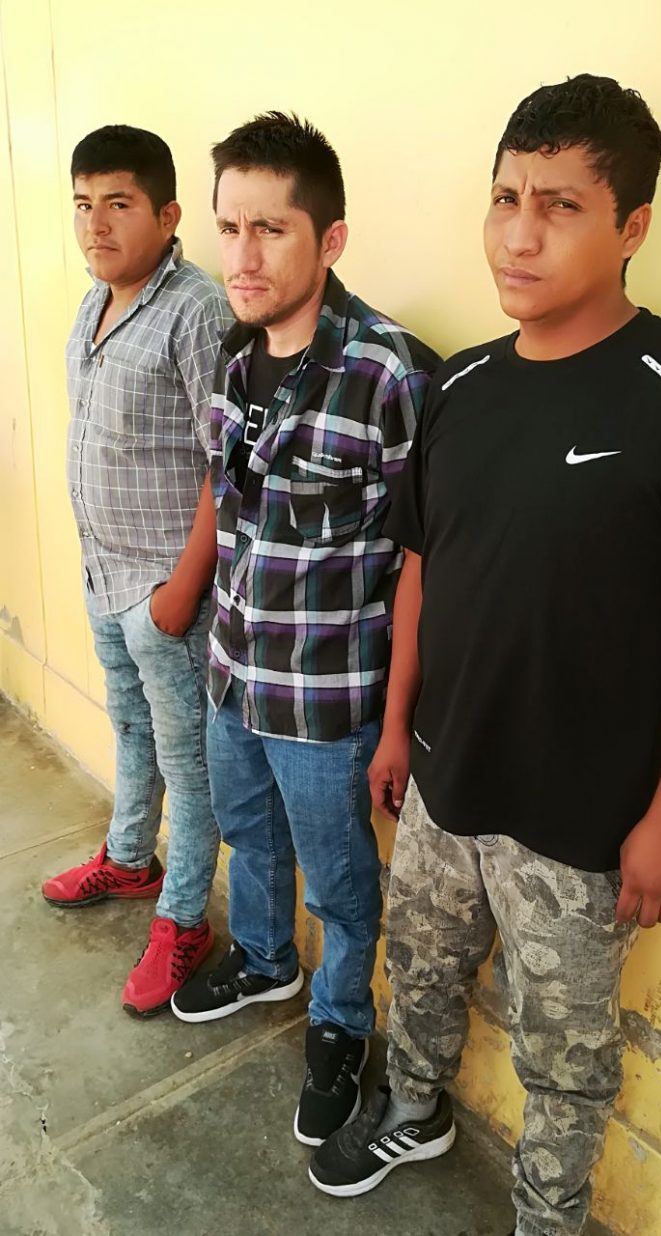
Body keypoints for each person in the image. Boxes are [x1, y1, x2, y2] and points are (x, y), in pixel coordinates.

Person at [309, 74, 661, 1236]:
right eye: (505, 198)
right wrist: (396, 729)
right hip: (444, 779)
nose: (518, 235)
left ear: (631, 226)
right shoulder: (461, 386)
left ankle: (547, 1216)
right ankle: (413, 1108)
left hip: (582, 823)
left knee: (563, 1058)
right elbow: (422, 568)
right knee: (420, 968)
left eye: (560, 205)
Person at [171, 112, 439, 1146]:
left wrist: (397, 721)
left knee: (339, 881)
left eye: (270, 229)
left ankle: (339, 1022)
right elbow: (230, 501)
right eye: (229, 228)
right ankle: (263, 959)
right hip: (234, 671)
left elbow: (424, 559)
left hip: (326, 702)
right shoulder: (231, 354)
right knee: (246, 832)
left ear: (329, 240)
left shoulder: (387, 375)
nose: (242, 256)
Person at [42, 125, 232, 1018]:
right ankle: (127, 859)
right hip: (104, 576)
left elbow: (226, 463)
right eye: (84, 205)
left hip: (164, 592)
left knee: (190, 768)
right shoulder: (96, 302)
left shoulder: (197, 312)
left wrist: (181, 592)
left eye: (118, 204)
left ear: (168, 214)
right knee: (130, 732)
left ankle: (184, 918)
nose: (96, 225)